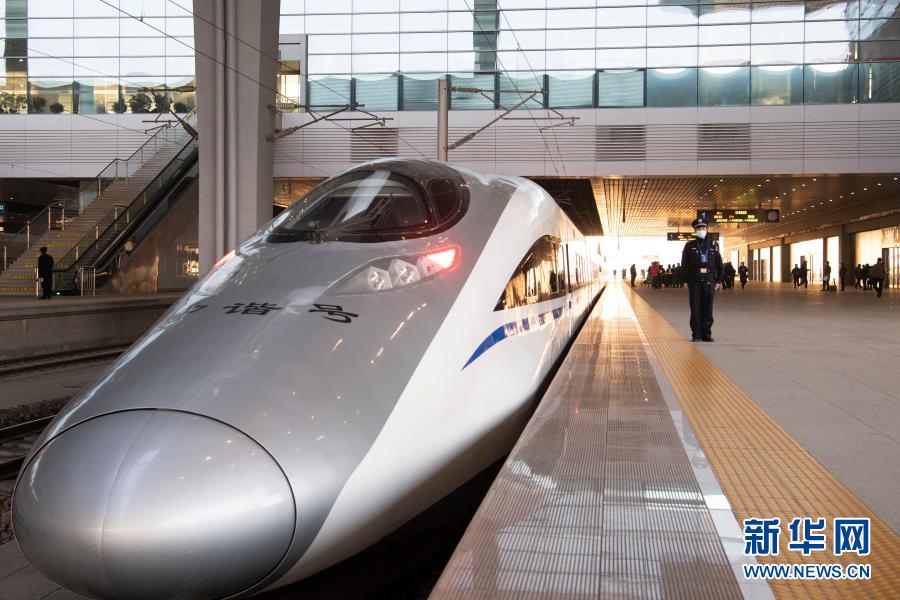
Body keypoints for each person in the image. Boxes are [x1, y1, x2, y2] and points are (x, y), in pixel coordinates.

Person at [682, 218, 723, 342]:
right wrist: (684, 280)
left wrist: (719, 281)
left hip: (710, 280)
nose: (701, 230)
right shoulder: (689, 246)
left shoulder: (714, 245)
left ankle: (706, 334)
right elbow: (684, 265)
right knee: (695, 308)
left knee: (708, 308)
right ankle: (696, 335)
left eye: (703, 228)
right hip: (694, 280)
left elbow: (720, 265)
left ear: (707, 229)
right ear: (695, 230)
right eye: (699, 228)